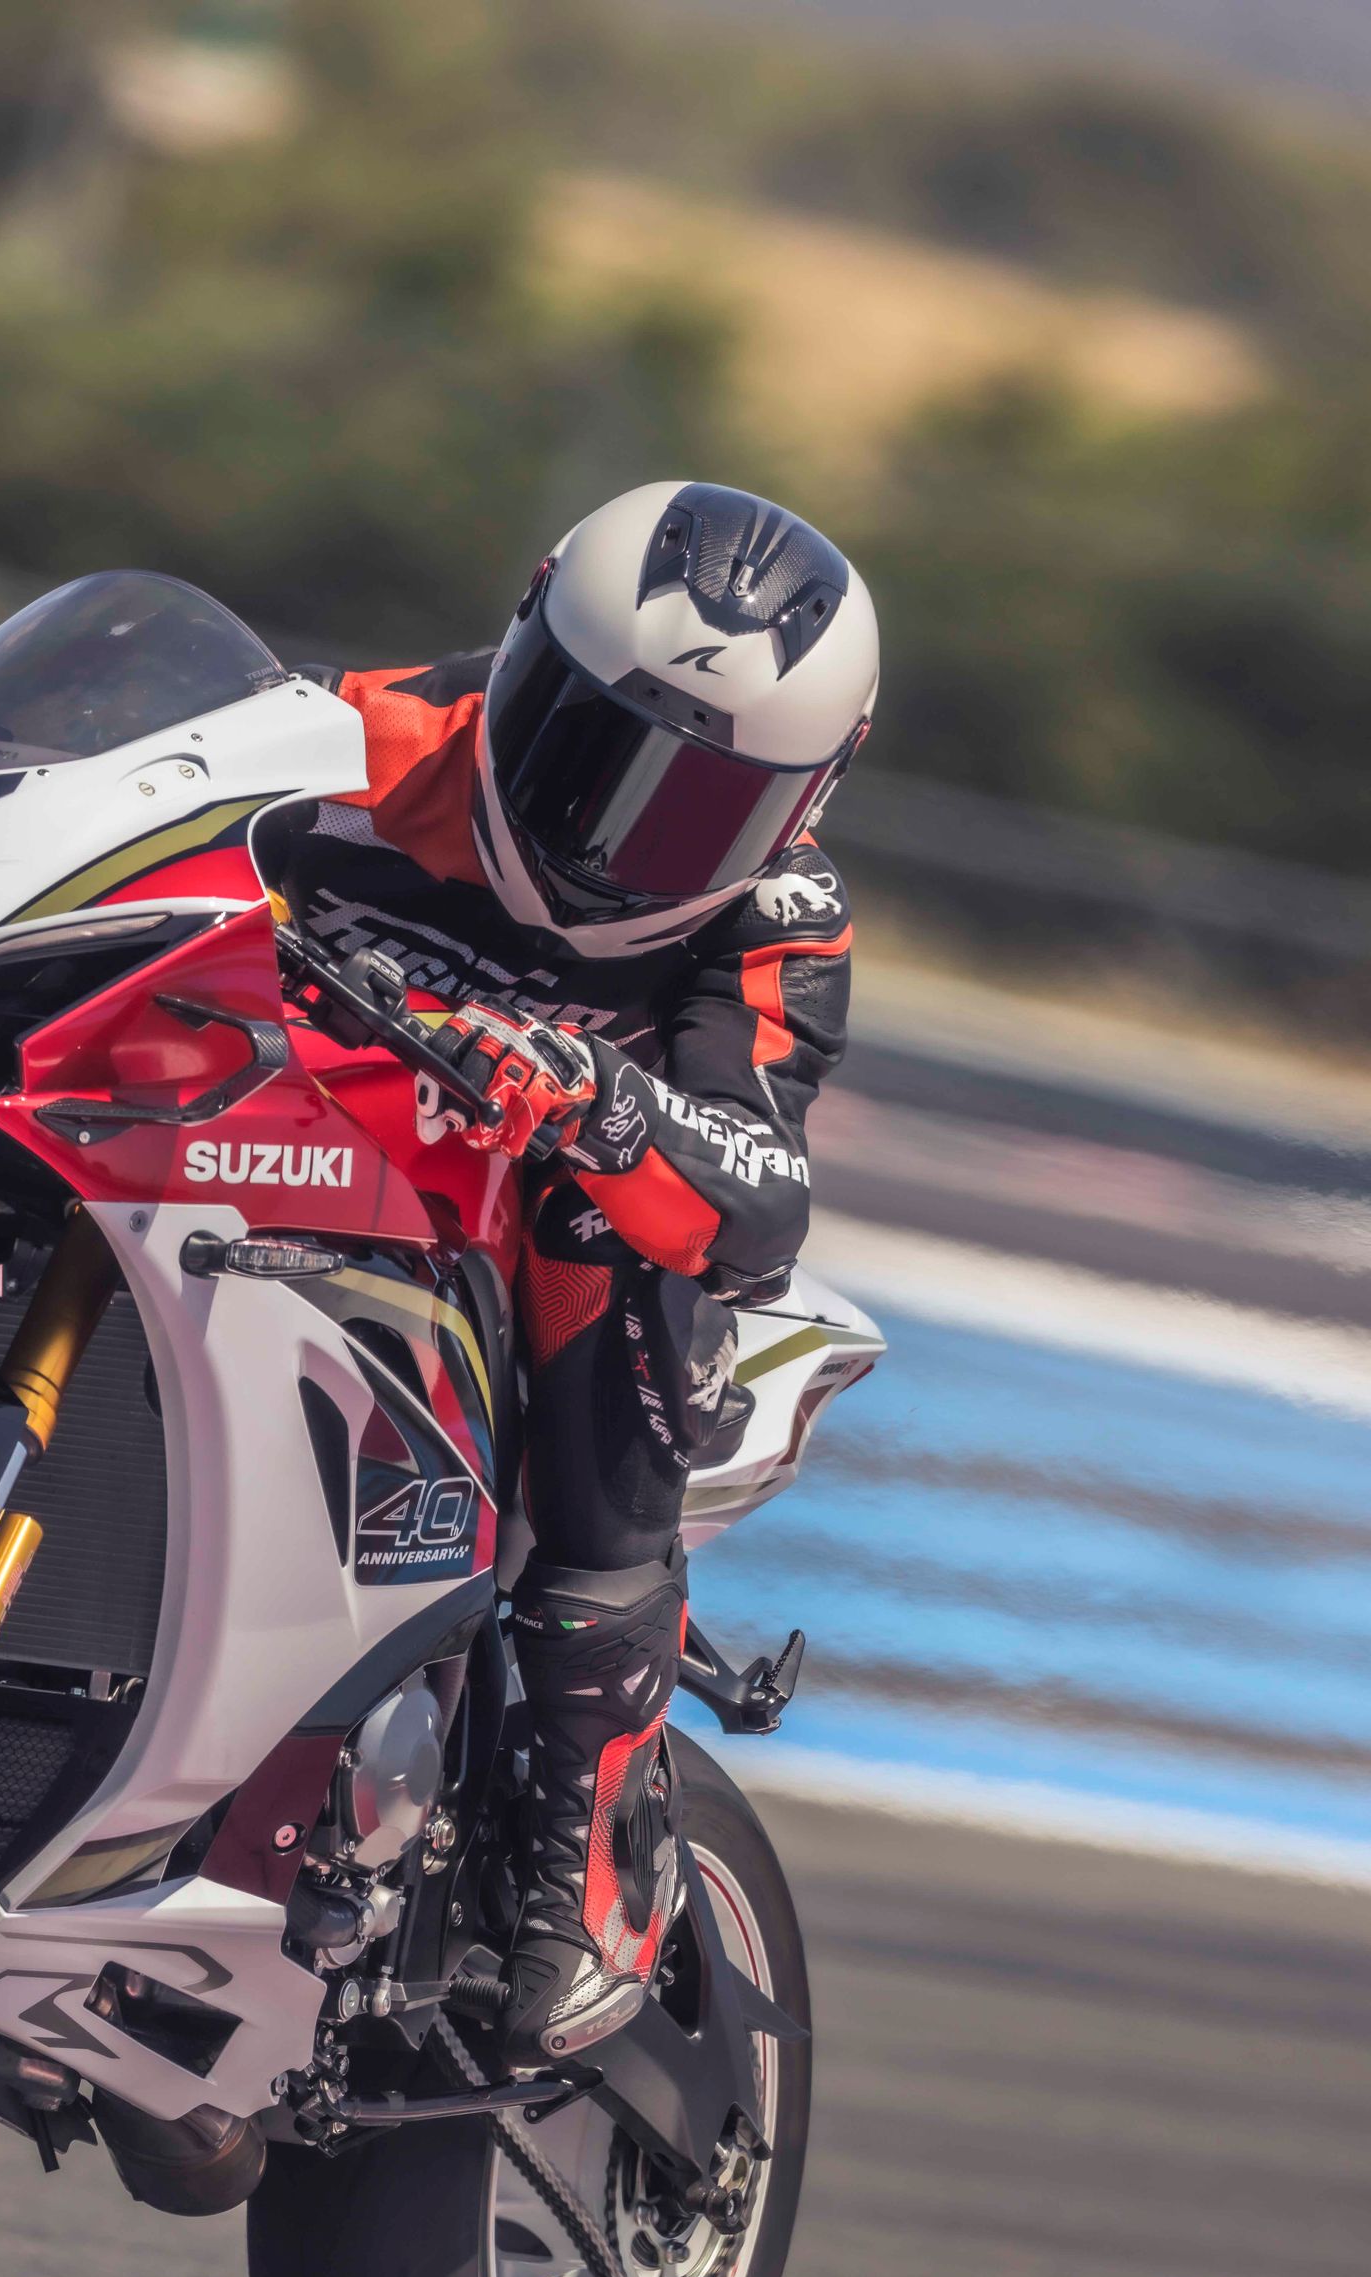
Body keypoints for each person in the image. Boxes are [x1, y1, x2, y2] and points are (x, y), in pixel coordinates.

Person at [262, 481, 878, 2066]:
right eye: (582, 747)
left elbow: (760, 1194)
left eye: (693, 807)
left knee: (616, 1242)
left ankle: (595, 1842)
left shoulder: (780, 915)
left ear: (805, 799)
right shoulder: (343, 740)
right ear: (521, 642)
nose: (612, 829)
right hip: (277, 1153)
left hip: (519, 1246)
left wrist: (605, 1106)